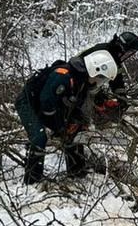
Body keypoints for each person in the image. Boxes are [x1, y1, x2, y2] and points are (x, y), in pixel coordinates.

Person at [15, 50, 118, 184]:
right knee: (39, 137)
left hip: (48, 104)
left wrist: (77, 123)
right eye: (101, 77)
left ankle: (77, 171)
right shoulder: (63, 76)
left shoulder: (81, 81)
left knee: (75, 130)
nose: (99, 82)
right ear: (95, 70)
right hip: (28, 103)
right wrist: (60, 128)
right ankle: (32, 180)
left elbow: (74, 106)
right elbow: (47, 105)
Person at [80, 30, 138, 94]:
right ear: (124, 48)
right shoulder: (106, 54)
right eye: (130, 51)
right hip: (81, 83)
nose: (129, 53)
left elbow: (117, 76)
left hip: (87, 83)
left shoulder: (113, 54)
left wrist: (120, 93)